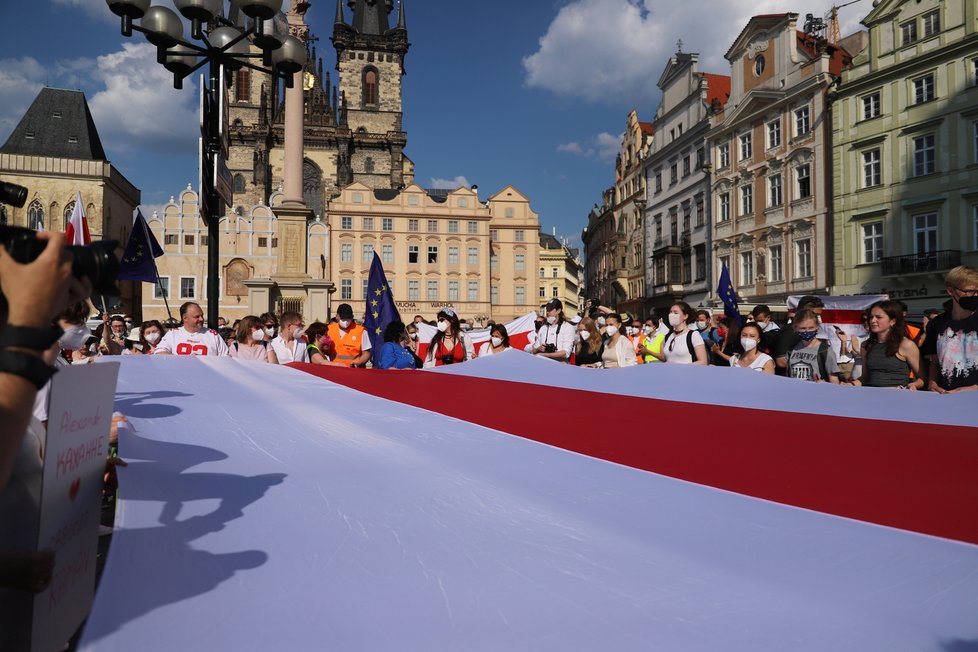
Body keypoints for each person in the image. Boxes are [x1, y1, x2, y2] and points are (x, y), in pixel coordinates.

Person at [922, 265, 978, 393]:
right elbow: (934, 362)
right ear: (951, 291)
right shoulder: (936, 324)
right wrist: (932, 384)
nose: (974, 295)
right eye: (968, 291)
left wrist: (974, 388)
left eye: (977, 291)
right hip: (945, 397)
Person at [845, 300, 922, 389]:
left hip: (897, 398)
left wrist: (914, 385)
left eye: (878, 317)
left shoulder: (906, 345)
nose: (872, 321)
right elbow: (865, 378)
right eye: (871, 317)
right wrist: (851, 385)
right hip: (870, 396)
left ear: (892, 321)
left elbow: (922, 378)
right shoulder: (866, 345)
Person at [154, 301, 230, 356]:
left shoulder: (212, 335)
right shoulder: (173, 334)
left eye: (202, 316)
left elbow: (225, 357)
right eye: (197, 317)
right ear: (185, 318)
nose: (201, 319)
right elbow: (159, 352)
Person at [786, 308, 841, 383]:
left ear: (817, 327)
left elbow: (834, 380)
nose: (807, 331)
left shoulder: (825, 351)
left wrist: (824, 384)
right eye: (803, 328)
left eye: (811, 327)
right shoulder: (791, 349)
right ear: (795, 328)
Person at [774, 295, 826, 374]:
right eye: (815, 315)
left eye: (819, 315)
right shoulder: (790, 331)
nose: (818, 318)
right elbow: (781, 361)